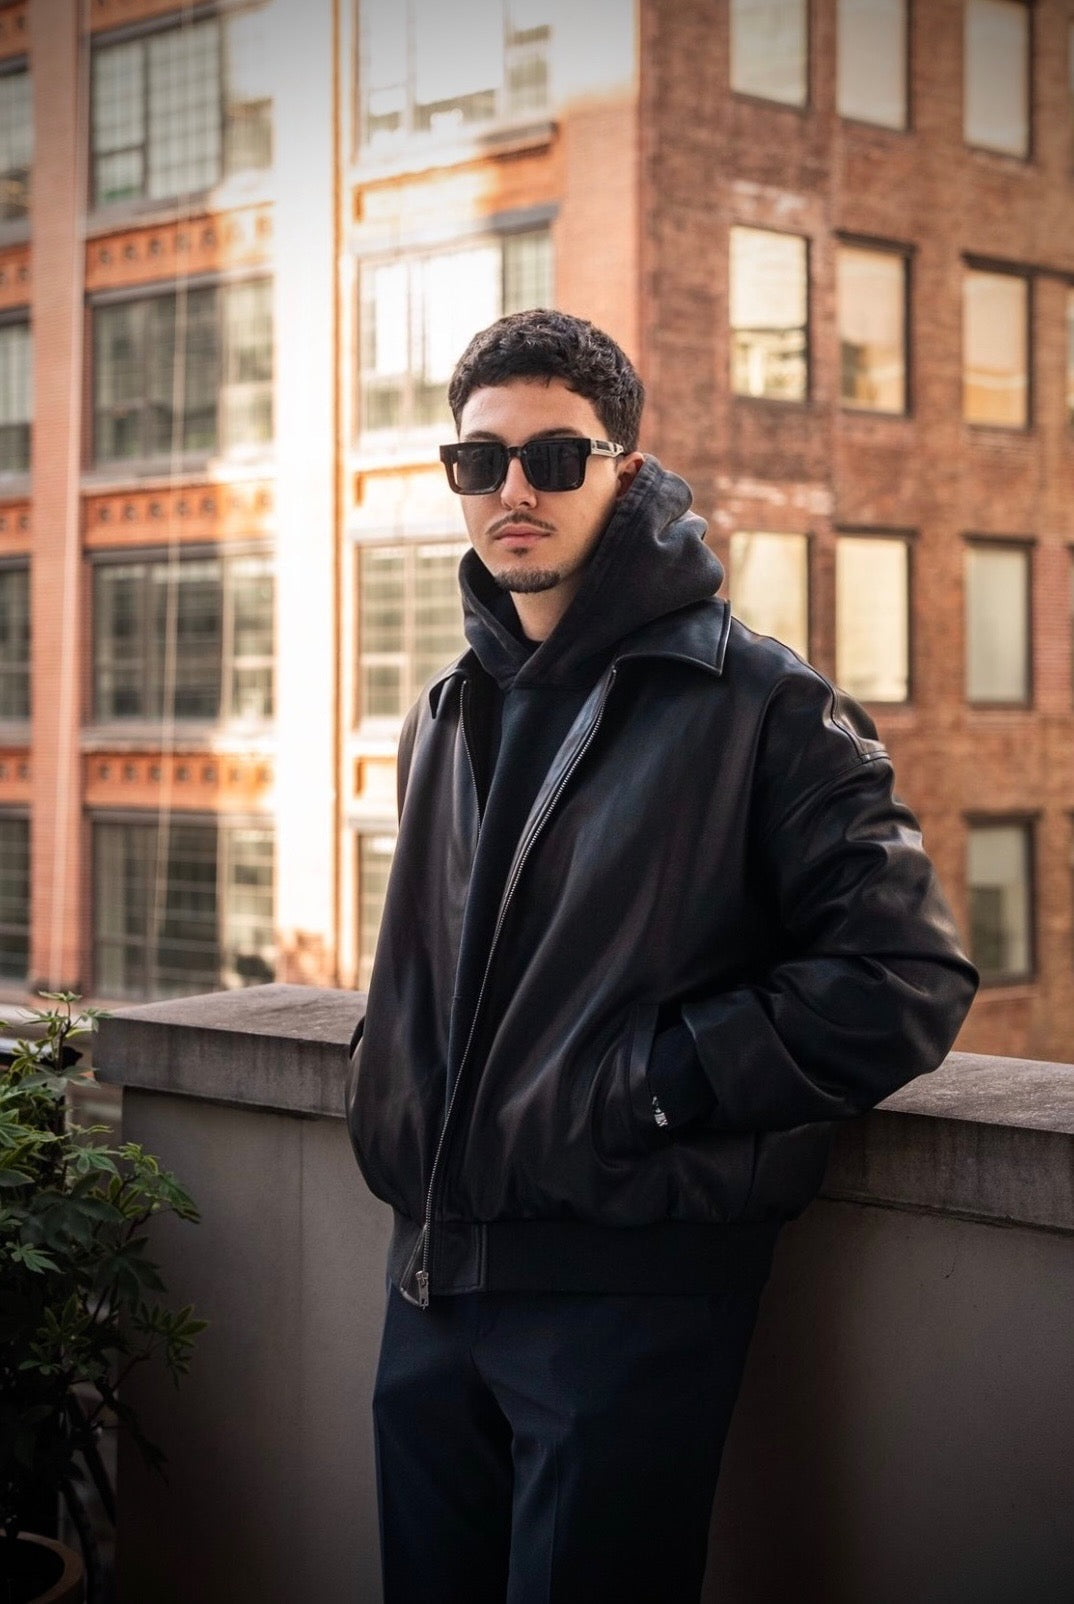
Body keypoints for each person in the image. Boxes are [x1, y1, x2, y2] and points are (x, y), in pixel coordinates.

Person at [345, 308, 977, 1604]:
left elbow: (903, 978)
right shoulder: (444, 710)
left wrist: (646, 1083)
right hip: (427, 1290)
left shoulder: (757, 702)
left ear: (624, 473)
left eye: (554, 459)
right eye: (480, 462)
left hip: (622, 1303)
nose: (512, 490)